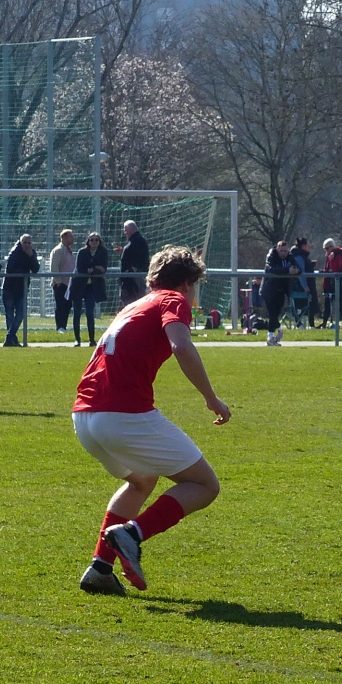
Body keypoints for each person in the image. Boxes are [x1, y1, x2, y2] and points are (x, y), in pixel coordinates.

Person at [73, 246, 232, 595]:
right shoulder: (172, 299)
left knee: (142, 481)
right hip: (121, 415)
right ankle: (132, 534)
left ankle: (100, 569)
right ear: (188, 283)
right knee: (205, 485)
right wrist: (211, 397)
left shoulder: (134, 305)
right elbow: (181, 346)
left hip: (84, 417)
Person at [1, 233, 39, 346]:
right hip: (9, 288)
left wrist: (31, 257)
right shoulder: (14, 252)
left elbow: (35, 269)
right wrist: (23, 273)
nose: (27, 245)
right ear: (20, 242)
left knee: (21, 314)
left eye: (29, 243)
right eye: (24, 242)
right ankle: (12, 339)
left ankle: (10, 336)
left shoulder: (32, 253)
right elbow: (11, 268)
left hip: (22, 289)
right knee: (9, 315)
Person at [73, 230, 110, 347]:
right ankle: (77, 339)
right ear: (88, 241)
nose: (94, 242)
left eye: (96, 240)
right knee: (77, 313)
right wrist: (96, 268)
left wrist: (92, 269)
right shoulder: (82, 252)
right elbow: (80, 268)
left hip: (92, 287)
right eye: (92, 240)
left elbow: (104, 268)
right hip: (79, 286)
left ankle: (92, 340)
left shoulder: (103, 252)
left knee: (89, 312)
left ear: (99, 241)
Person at [260, 241, 295, 346]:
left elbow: (298, 268)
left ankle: (278, 331)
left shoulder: (290, 257)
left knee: (275, 314)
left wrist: (296, 270)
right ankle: (270, 337)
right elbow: (272, 269)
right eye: (281, 251)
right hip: (269, 288)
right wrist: (288, 270)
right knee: (272, 313)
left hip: (281, 289)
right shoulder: (271, 256)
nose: (283, 253)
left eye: (285, 251)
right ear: (277, 249)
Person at [50, 228, 78, 338]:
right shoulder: (58, 250)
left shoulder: (69, 251)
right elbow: (54, 267)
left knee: (67, 306)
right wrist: (59, 282)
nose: (73, 238)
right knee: (60, 305)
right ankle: (59, 327)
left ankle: (64, 326)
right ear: (64, 237)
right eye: (71, 236)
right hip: (61, 284)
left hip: (69, 284)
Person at [119, 219, 150, 307]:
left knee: (134, 301)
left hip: (134, 278)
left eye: (126, 229)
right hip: (132, 276)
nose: (125, 232)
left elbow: (139, 258)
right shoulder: (136, 241)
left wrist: (133, 269)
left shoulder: (138, 241)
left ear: (131, 229)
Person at [321, 239, 342, 326]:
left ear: (332, 247)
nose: (326, 251)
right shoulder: (329, 256)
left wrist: (331, 260)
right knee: (327, 304)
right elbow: (328, 269)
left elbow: (336, 269)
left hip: (337, 283)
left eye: (327, 248)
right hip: (329, 282)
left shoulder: (338, 255)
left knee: (339, 304)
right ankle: (324, 323)